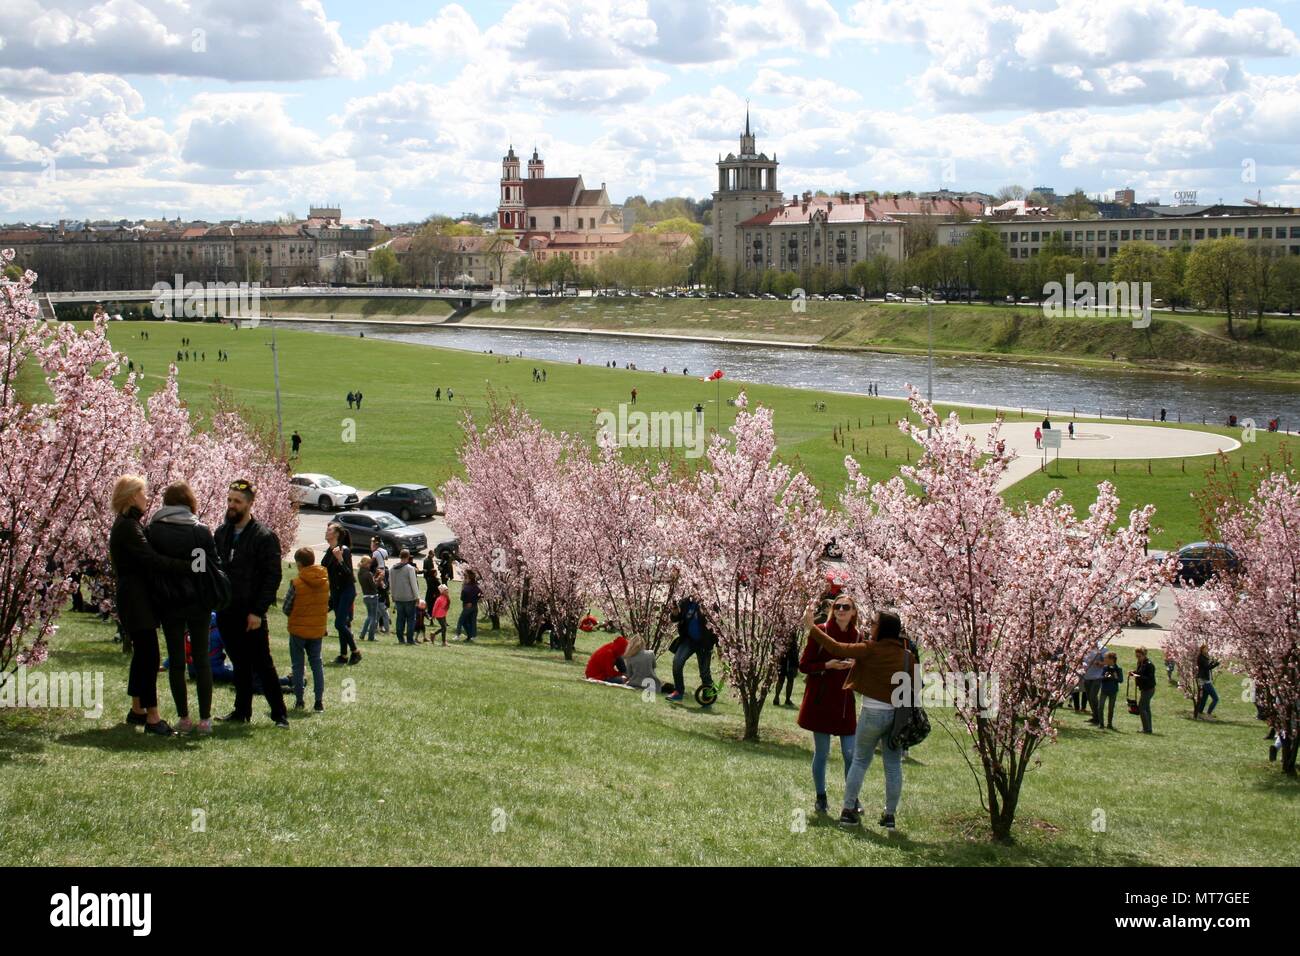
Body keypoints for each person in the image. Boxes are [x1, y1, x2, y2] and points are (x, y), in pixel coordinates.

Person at [803, 606, 909, 831]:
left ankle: (847, 811)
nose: (870, 625)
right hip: (897, 717)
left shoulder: (870, 649)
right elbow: (913, 691)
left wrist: (811, 628)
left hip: (872, 713)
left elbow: (836, 647)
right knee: (893, 767)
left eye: (874, 622)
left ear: (882, 629)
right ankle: (889, 816)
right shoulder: (908, 657)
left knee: (860, 761)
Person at [110, 475, 193, 737]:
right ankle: (153, 717)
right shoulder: (128, 527)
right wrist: (186, 566)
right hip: (135, 598)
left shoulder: (128, 524)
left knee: (142, 655)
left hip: (134, 596)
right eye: (144, 494)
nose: (147, 498)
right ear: (133, 495)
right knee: (150, 656)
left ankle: (137, 710)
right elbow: (151, 559)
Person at [213, 479, 289, 729]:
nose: (232, 505)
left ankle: (279, 714)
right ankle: (241, 710)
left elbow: (272, 577)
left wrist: (258, 611)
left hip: (251, 613)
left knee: (262, 663)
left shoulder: (264, 537)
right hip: (226, 610)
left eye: (237, 501)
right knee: (239, 663)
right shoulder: (222, 533)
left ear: (249, 504)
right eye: (229, 500)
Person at [146, 480, 220, 735]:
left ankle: (184, 717)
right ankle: (205, 719)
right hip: (197, 602)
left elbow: (152, 567)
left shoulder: (154, 530)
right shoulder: (200, 531)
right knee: (201, 659)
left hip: (169, 602)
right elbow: (207, 566)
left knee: (176, 661)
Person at [797, 594, 861, 816]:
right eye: (838, 606)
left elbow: (865, 670)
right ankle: (821, 797)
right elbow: (804, 665)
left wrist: (855, 665)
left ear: (853, 612)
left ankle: (852, 798)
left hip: (845, 703)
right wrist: (828, 664)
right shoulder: (821, 631)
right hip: (822, 699)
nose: (841, 610)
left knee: (851, 754)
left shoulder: (858, 636)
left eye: (847, 607)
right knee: (822, 752)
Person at [286, 547, 328, 711]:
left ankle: (299, 700)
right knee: (317, 664)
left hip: (298, 630)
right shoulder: (324, 581)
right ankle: (318, 701)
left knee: (298, 665)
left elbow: (287, 607)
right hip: (317, 629)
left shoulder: (296, 583)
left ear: (299, 564)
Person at [665, 596, 714, 704]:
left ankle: (708, 698)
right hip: (688, 640)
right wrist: (675, 613)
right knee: (677, 663)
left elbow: (717, 625)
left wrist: (718, 646)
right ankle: (678, 692)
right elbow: (675, 618)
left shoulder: (710, 601)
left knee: (704, 673)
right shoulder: (685, 602)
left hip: (704, 643)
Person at [322, 523, 359, 664]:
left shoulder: (344, 551)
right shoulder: (329, 551)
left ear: (336, 534)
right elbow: (322, 569)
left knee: (339, 624)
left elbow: (349, 574)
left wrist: (340, 559)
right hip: (336, 592)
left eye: (329, 529)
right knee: (341, 624)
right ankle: (343, 655)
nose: (327, 531)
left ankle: (356, 652)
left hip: (347, 591)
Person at [391, 549, 420, 645]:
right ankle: (410, 639)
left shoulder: (392, 569)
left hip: (398, 597)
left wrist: (393, 595)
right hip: (409, 597)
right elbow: (413, 584)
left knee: (400, 618)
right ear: (408, 557)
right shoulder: (410, 568)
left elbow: (391, 583)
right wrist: (417, 596)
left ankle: (400, 639)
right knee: (411, 619)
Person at [1130, 646, 1156, 734]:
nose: (1138, 658)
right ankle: (1148, 728)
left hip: (1149, 689)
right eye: (1136, 656)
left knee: (1141, 707)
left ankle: (1146, 729)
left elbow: (1149, 677)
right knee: (1146, 708)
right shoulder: (1140, 663)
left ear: (1144, 655)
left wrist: (1138, 676)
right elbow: (1140, 672)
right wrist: (1134, 672)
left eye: (1139, 656)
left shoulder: (1149, 664)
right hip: (1144, 688)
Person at [370, 537, 392, 633]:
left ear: (375, 544)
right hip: (384, 569)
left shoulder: (375, 553)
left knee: (379, 591)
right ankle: (382, 625)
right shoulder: (383, 551)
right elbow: (386, 558)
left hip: (378, 570)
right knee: (384, 590)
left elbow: (372, 562)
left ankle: (379, 625)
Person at [772, 630, 800, 706]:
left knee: (783, 679)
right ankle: (780, 698)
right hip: (787, 658)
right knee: (786, 679)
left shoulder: (783, 630)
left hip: (785, 658)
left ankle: (779, 698)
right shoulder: (786, 630)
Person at [1084, 643, 1108, 726]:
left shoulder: (1102, 649)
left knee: (1093, 696)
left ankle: (1098, 718)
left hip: (1097, 677)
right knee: (1089, 698)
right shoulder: (1084, 645)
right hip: (1086, 676)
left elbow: (1107, 662)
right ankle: (1095, 717)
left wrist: (1097, 663)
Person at [357, 555, 380, 642]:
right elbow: (374, 586)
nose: (370, 565)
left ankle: (362, 634)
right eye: (369, 563)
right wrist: (378, 578)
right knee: (374, 617)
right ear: (367, 564)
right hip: (373, 596)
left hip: (365, 596)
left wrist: (375, 576)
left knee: (369, 616)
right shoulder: (368, 574)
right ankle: (371, 636)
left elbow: (369, 582)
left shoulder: (360, 573)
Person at [1194, 644, 1220, 720]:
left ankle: (1199, 713)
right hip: (1204, 681)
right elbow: (1207, 667)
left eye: (1207, 648)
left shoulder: (1204, 657)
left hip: (1206, 680)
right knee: (1215, 698)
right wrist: (1216, 664)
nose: (1207, 650)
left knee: (1204, 698)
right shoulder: (1201, 657)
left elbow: (1207, 666)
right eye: (1205, 648)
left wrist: (1212, 662)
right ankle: (1208, 714)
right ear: (1202, 649)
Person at [455, 569, 481, 642]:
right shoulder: (476, 586)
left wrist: (468, 602)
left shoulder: (466, 587)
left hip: (467, 606)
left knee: (461, 621)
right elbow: (480, 595)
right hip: (474, 606)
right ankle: (472, 636)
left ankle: (458, 634)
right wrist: (474, 601)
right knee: (472, 621)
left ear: (468, 578)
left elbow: (462, 597)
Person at [1099, 652, 1123, 729]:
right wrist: (1105, 676)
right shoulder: (1105, 668)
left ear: (1111, 659)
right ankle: (1101, 723)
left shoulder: (1118, 669)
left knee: (1111, 708)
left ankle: (1109, 724)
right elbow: (1101, 678)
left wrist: (1115, 676)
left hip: (1113, 691)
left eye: (1106, 658)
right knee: (1100, 707)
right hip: (1104, 690)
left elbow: (1121, 680)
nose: (1104, 659)